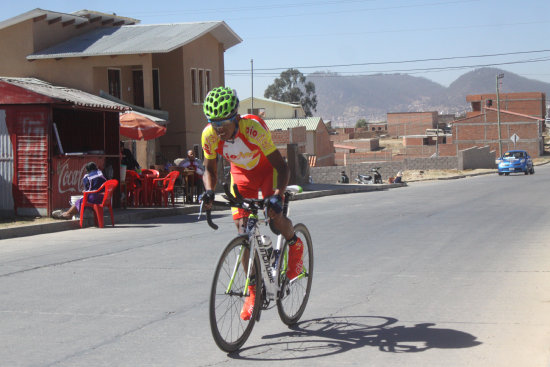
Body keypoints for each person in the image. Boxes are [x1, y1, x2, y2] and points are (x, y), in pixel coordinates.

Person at [199, 86, 304, 321]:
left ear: (235, 117)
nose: (219, 130)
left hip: (267, 172)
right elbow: (209, 169)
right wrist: (207, 191)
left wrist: (277, 195)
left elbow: (282, 167)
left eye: (224, 124)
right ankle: (254, 292)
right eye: (215, 124)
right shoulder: (209, 135)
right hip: (241, 176)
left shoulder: (253, 129)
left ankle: (295, 246)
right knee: (243, 233)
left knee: (275, 219)